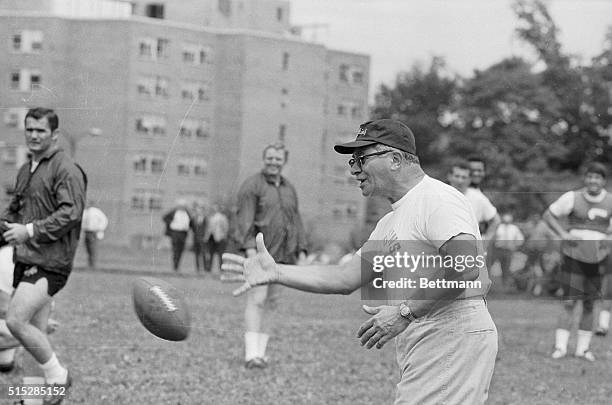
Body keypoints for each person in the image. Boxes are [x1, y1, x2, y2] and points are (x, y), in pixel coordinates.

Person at [223, 119, 497, 404]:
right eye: (353, 160)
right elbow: (344, 278)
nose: (354, 168)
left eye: (361, 158)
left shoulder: (437, 199)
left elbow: (466, 266)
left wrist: (405, 312)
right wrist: (276, 271)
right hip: (431, 340)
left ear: (395, 159)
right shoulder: (391, 221)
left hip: (451, 338)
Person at [0, 107, 87, 403]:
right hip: (26, 258)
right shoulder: (27, 169)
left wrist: (31, 231)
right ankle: (34, 398)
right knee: (34, 332)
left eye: (41, 130)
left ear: (54, 135)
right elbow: (15, 212)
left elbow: (72, 213)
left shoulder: (66, 169)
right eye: (30, 130)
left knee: (15, 321)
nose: (34, 135)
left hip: (52, 262)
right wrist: (7, 226)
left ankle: (58, 376)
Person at [233, 142, 308, 369]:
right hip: (260, 255)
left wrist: (302, 249)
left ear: (283, 161)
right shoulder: (251, 186)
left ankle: (262, 354)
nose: (273, 162)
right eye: (270, 158)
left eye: (278, 159)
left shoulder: (289, 188)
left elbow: (296, 220)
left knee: (273, 303)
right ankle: (251, 354)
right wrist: (250, 253)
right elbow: (244, 221)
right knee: (256, 300)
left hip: (284, 255)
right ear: (264, 159)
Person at [543, 162, 612, 361]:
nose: (593, 181)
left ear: (603, 181)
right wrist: (563, 234)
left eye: (597, 177)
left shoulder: (609, 201)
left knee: (590, 304)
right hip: (574, 257)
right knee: (570, 302)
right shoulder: (572, 197)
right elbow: (548, 215)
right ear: (585, 178)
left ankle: (583, 349)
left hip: (598, 259)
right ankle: (561, 348)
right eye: (590, 176)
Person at [447, 160, 500, 249]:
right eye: (457, 176)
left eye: (464, 177)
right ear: (449, 176)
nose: (460, 180)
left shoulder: (478, 198)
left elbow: (496, 220)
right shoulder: (441, 194)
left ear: (469, 179)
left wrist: (484, 243)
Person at [493, 213, 525, 288]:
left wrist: (515, 246)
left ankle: (505, 285)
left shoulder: (514, 228)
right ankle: (488, 283)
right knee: (490, 266)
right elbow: (492, 238)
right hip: (498, 249)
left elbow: (520, 239)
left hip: (508, 250)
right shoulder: (498, 227)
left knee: (506, 267)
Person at [162, 199, 192, 272]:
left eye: (183, 206)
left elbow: (191, 223)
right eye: (181, 206)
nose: (182, 207)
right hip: (175, 233)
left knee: (181, 250)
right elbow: (164, 218)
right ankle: (175, 266)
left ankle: (177, 265)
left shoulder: (187, 213)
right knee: (175, 249)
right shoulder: (174, 212)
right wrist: (171, 223)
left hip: (183, 233)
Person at [81, 201, 108, 269]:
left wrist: (100, 229)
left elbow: (104, 220)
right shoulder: (85, 212)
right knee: (88, 247)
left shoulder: (97, 212)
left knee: (92, 248)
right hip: (87, 231)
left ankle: (93, 264)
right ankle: (90, 263)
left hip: (93, 231)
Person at [204, 204, 229, 274]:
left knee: (221, 254)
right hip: (211, 238)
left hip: (220, 238)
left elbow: (225, 227)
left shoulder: (223, 218)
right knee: (210, 253)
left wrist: (223, 236)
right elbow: (208, 228)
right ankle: (208, 268)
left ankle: (221, 269)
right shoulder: (211, 217)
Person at [191, 202, 209, 273]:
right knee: (196, 254)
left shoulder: (206, 218)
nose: (199, 211)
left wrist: (206, 236)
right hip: (196, 238)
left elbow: (208, 228)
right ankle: (197, 268)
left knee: (204, 253)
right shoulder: (194, 218)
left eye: (201, 209)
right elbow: (192, 228)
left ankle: (205, 268)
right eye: (198, 209)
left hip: (203, 238)